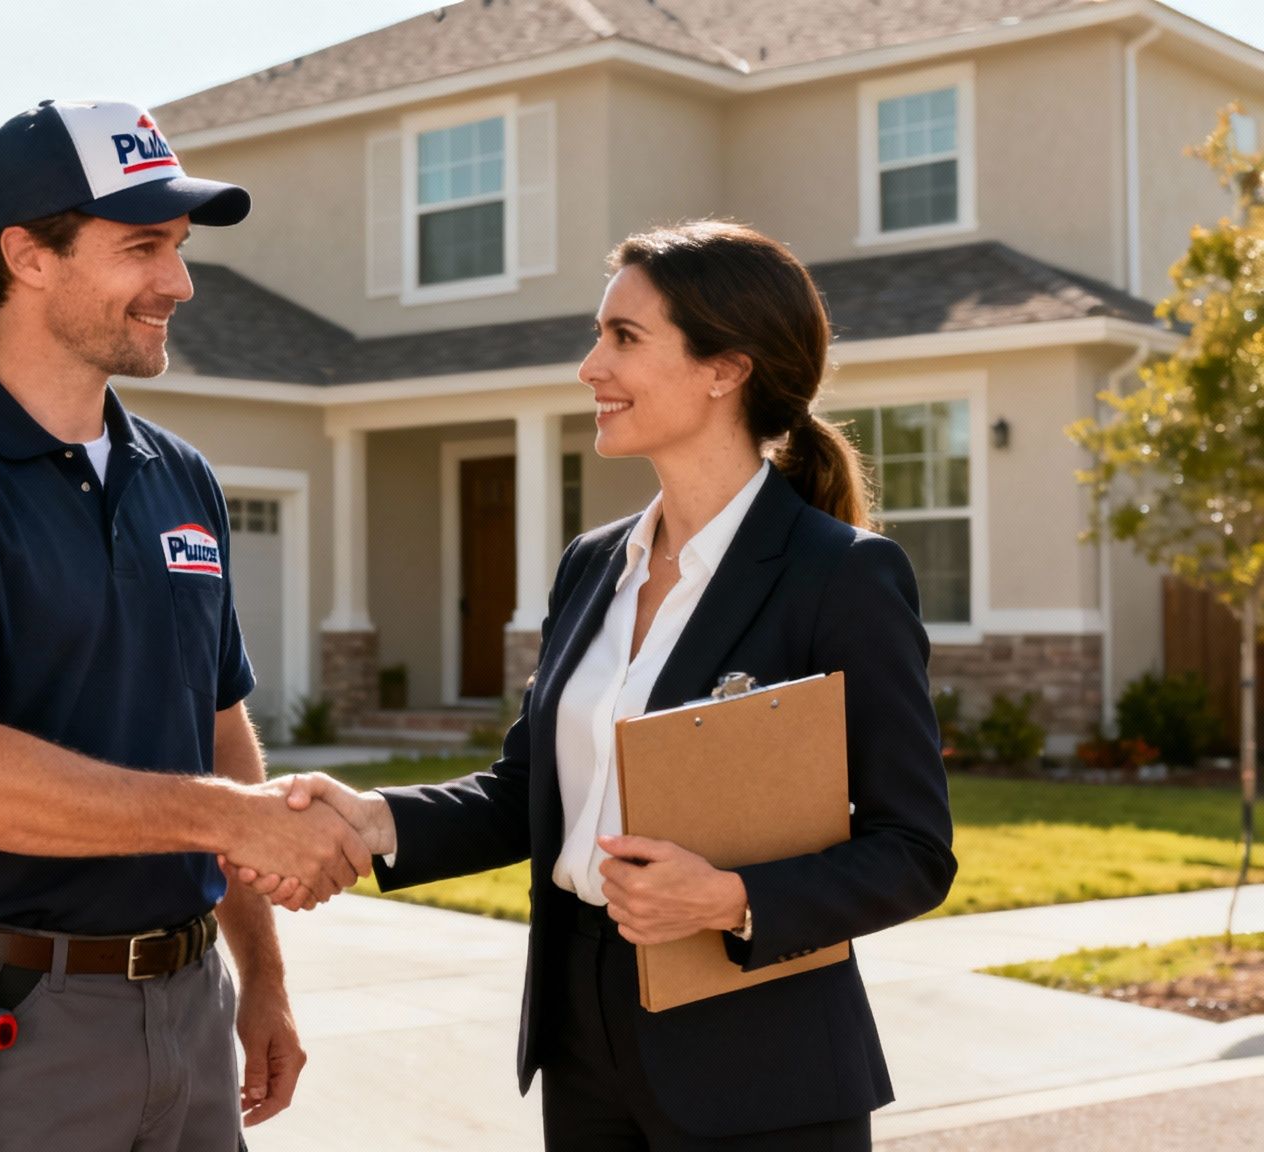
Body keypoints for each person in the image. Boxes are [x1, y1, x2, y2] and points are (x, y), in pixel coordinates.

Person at [249, 221, 958, 1149]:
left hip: (760, 1062)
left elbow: (914, 849)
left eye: (625, 337)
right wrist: (370, 819)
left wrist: (731, 898)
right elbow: (526, 797)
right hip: (582, 1036)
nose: (590, 367)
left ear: (724, 369)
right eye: (599, 334)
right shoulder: (594, 564)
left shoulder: (842, 576)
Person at [0, 99, 368, 1152]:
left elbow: (216, 733)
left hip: (190, 1003)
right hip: (5, 1023)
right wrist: (229, 820)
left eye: (180, 247)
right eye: (141, 246)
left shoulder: (179, 475)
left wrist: (261, 981)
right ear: (26, 255)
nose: (178, 282)